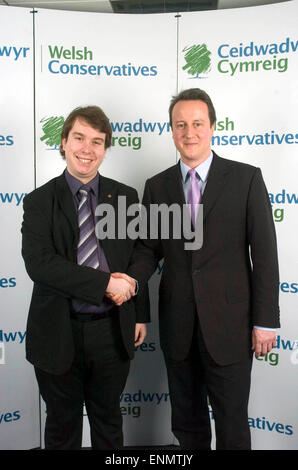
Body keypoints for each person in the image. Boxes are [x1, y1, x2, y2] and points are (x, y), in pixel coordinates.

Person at [115, 88, 280, 450]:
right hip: (178, 327)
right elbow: (146, 248)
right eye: (180, 125)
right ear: (172, 130)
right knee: (187, 427)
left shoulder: (246, 179)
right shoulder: (156, 186)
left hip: (230, 327)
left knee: (233, 425)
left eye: (197, 124)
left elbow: (265, 255)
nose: (189, 132)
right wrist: (129, 278)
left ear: (213, 127)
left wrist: (265, 320)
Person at [21, 105, 149, 450]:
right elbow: (40, 264)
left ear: (106, 150)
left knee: (109, 423)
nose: (87, 149)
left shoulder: (125, 197)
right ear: (63, 142)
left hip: (112, 329)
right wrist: (105, 284)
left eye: (97, 142)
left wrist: (138, 309)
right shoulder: (39, 201)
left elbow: (139, 253)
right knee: (62, 428)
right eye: (79, 138)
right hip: (58, 331)